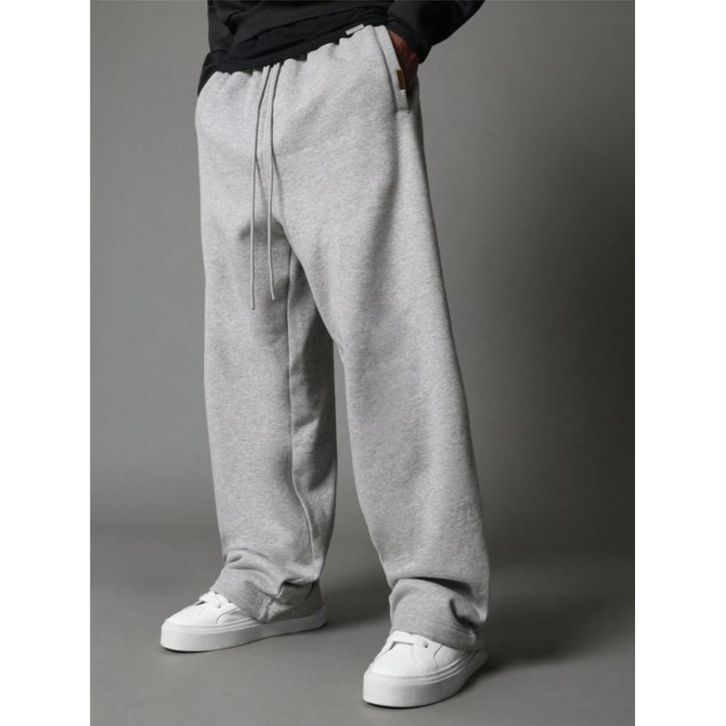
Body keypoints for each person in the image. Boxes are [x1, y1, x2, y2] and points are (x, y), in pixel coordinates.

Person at [160, 0, 490, 708]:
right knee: (250, 343)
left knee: (391, 338)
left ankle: (438, 603)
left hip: (348, 58)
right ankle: (269, 576)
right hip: (239, 85)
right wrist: (222, 61)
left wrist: (407, 30)